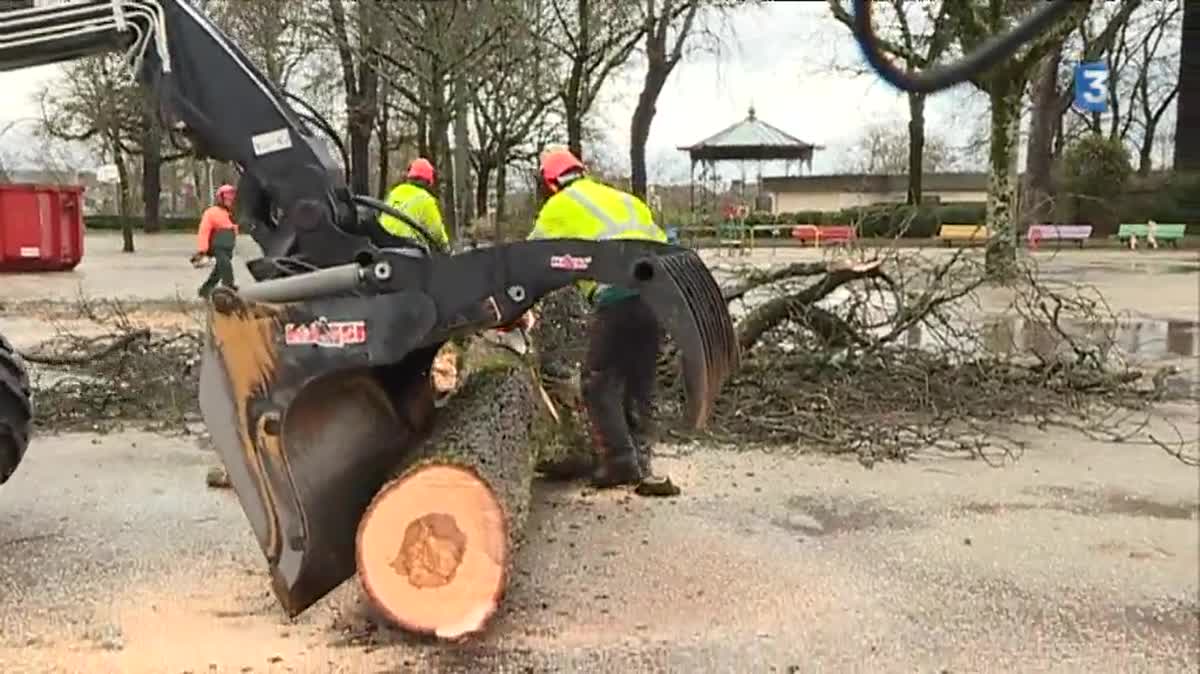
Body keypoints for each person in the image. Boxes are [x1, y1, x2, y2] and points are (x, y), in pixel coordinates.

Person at [521, 148, 668, 488]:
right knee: (638, 382)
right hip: (658, 296)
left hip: (618, 296)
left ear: (550, 183)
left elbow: (528, 259)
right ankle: (642, 460)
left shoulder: (560, 205)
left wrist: (515, 306)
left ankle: (619, 462)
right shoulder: (624, 199)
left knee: (598, 381)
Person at [377, 158, 449, 253]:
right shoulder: (426, 199)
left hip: (383, 245)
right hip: (408, 249)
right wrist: (446, 247)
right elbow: (436, 232)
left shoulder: (395, 192)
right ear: (428, 181)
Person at [194, 184, 239, 298]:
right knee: (226, 265)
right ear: (220, 198)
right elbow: (204, 231)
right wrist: (202, 249)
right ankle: (228, 286)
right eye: (227, 197)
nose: (230, 200)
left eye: (232, 197)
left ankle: (205, 290)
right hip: (218, 245)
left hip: (228, 246)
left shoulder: (233, 214)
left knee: (219, 269)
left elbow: (235, 230)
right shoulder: (211, 212)